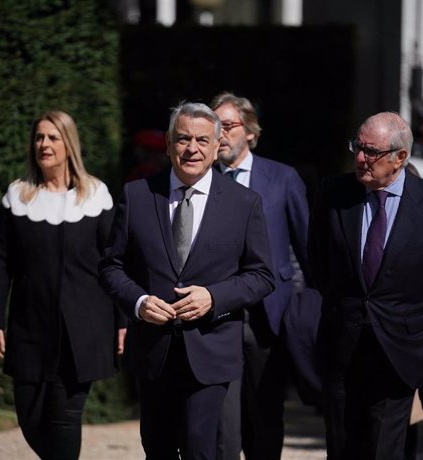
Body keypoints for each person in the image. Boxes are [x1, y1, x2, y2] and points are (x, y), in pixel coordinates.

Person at [99, 101, 275, 459]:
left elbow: (262, 275)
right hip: (153, 350)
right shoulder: (137, 196)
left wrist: (214, 297)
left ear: (215, 147)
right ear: (167, 144)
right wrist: (139, 303)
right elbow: (110, 267)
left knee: (199, 448)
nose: (191, 148)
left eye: (200, 140)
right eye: (182, 139)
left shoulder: (245, 204)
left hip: (211, 349)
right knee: (158, 449)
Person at [307, 111, 423, 460]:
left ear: (400, 158)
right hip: (342, 347)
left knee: (385, 452)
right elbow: (317, 262)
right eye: (358, 147)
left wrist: (422, 336)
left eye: (372, 151)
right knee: (342, 448)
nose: (361, 158)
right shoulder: (334, 194)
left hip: (399, 352)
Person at [0, 110, 125, 459]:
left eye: (52, 137)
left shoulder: (97, 195)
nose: (44, 144)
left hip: (83, 331)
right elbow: (0, 263)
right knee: (30, 419)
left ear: (68, 144)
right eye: (39, 137)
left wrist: (123, 321)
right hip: (29, 328)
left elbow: (115, 264)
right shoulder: (17, 196)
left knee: (64, 419)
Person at [210, 92, 318, 460]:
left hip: (268, 317)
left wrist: (306, 311)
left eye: (227, 125)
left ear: (251, 133)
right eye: (214, 126)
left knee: (265, 417)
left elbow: (308, 249)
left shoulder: (282, 178)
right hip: (216, 314)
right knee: (222, 421)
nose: (219, 134)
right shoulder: (201, 180)